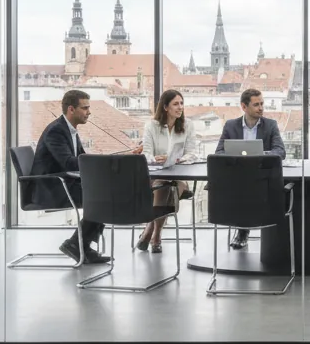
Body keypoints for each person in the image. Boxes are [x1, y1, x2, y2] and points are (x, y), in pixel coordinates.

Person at [30, 90, 140, 264]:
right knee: (105, 197)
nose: (89, 112)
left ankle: (80, 245)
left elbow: (81, 160)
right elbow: (70, 163)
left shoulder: (69, 129)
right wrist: (106, 163)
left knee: (106, 193)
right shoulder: (56, 131)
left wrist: (114, 160)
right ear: (71, 109)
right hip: (52, 187)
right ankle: (78, 244)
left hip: (65, 182)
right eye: (85, 108)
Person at [214, 88, 286, 249]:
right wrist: (237, 158)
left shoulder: (270, 125)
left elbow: (280, 151)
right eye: (256, 105)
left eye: (261, 104)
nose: (261, 108)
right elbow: (219, 152)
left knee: (247, 188)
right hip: (239, 175)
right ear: (244, 107)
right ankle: (243, 229)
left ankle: (243, 230)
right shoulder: (231, 126)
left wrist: (260, 155)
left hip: (262, 176)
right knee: (242, 186)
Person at [137, 89, 201, 253]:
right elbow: (146, 153)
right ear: (165, 107)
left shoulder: (188, 125)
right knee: (163, 185)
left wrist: (177, 159)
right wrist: (157, 158)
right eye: (175, 104)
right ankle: (156, 235)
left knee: (166, 186)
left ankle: (151, 229)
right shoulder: (151, 126)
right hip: (155, 177)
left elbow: (192, 153)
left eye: (181, 103)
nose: (180, 107)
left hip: (179, 177)